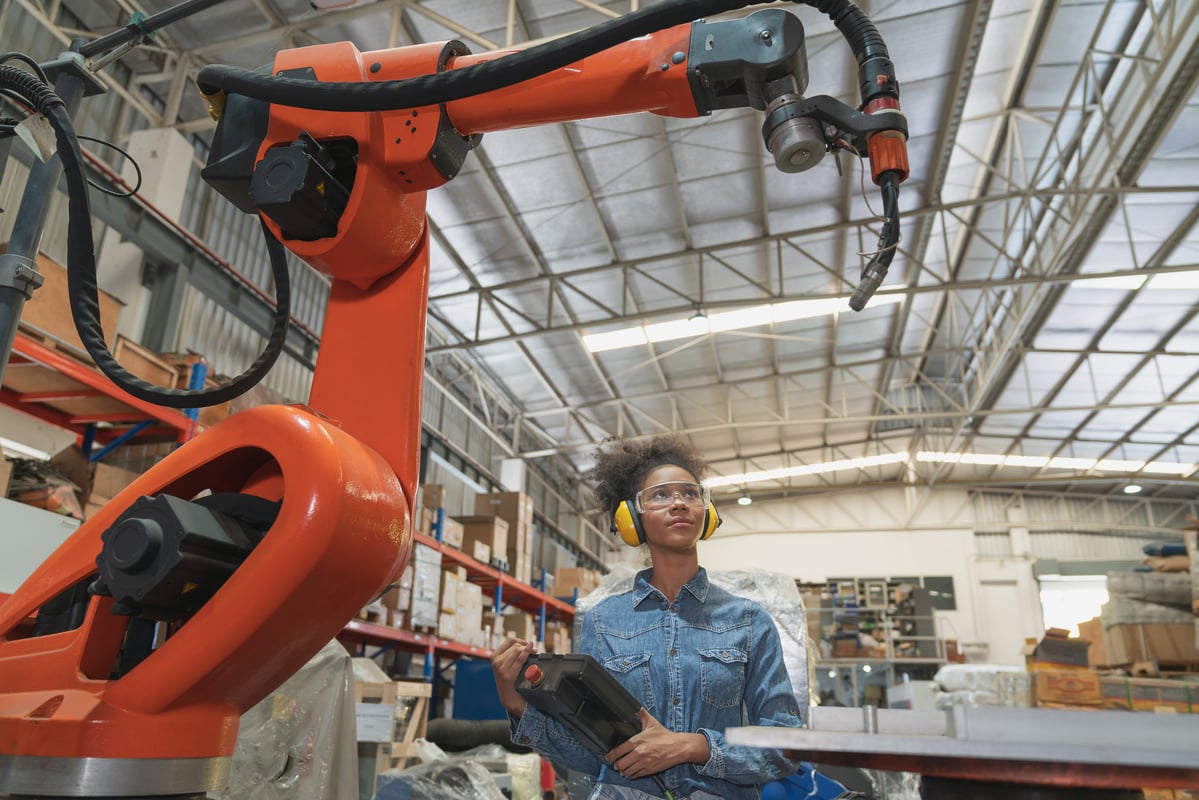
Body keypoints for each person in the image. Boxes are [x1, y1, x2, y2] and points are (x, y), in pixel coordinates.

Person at [491, 433, 802, 800]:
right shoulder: (602, 621)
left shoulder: (749, 621)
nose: (679, 504)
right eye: (660, 495)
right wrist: (516, 704)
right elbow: (592, 756)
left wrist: (692, 747)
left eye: (690, 493)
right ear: (630, 518)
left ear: (708, 512)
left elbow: (786, 744)